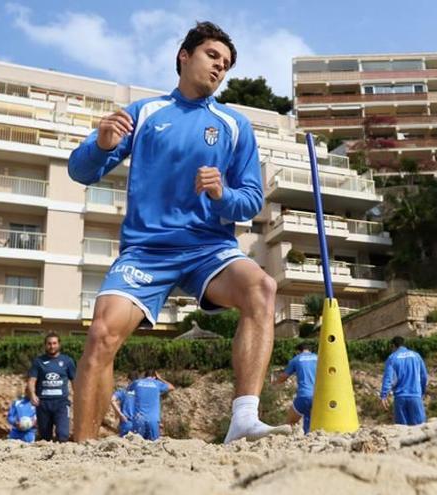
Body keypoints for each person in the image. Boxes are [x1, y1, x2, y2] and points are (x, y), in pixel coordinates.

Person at [69, 21, 288, 444]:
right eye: (212, 57)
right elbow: (80, 171)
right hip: (147, 252)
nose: (218, 69)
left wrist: (223, 193)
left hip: (209, 249)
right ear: (184, 57)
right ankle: (82, 449)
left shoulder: (234, 125)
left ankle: (244, 419)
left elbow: (251, 201)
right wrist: (100, 144)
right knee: (101, 334)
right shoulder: (144, 113)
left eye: (225, 66)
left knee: (262, 286)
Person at [27, 332, 76, 441]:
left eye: (54, 343)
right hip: (43, 404)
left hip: (61, 403)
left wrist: (77, 397)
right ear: (45, 345)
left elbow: (74, 381)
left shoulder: (67, 361)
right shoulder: (38, 362)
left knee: (62, 434)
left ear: (59, 344)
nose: (52, 346)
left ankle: (62, 456)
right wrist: (32, 395)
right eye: (49, 344)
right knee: (44, 437)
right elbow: (31, 381)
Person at [380, 336, 428, 426]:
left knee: (402, 431)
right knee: (420, 428)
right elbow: (424, 376)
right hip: (415, 396)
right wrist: (422, 392)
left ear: (393, 346)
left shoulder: (392, 358)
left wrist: (384, 395)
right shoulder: (416, 356)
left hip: (400, 398)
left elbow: (388, 378)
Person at [274, 342, 317, 433]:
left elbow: (284, 377)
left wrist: (275, 383)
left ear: (298, 351)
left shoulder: (296, 359)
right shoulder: (318, 358)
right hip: (319, 396)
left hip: (304, 395)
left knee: (289, 422)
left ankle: (282, 441)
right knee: (310, 418)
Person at [129, 370, 173, 441]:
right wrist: (160, 378)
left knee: (136, 445)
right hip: (153, 420)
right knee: (153, 446)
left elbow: (128, 392)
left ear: (144, 376)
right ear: (154, 377)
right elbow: (172, 387)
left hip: (138, 420)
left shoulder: (136, 383)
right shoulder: (157, 383)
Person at [111, 371, 139, 437]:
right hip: (138, 423)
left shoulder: (123, 391)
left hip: (126, 422)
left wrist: (120, 414)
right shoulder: (140, 393)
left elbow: (112, 400)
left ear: (128, 380)